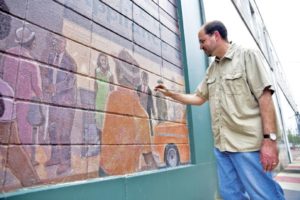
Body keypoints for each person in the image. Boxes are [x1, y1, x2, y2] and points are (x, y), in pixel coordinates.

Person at [155, 20, 285, 200]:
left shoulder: (247, 56)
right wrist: (171, 94)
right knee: (230, 195)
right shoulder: (212, 70)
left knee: (263, 195)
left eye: (202, 41)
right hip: (222, 147)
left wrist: (269, 141)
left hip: (247, 146)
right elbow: (199, 98)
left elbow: (265, 98)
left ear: (216, 35)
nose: (200, 47)